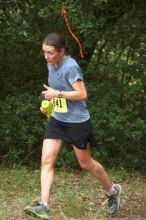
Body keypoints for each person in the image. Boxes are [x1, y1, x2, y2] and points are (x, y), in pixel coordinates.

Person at [25, 32, 121, 219]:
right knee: (46, 160)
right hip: (58, 120)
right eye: (44, 52)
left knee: (85, 163)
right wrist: (50, 104)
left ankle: (112, 192)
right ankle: (44, 206)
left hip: (77, 122)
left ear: (62, 51)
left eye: (50, 52)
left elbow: (82, 94)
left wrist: (57, 94)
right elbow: (56, 91)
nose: (46, 56)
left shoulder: (71, 67)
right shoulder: (50, 64)